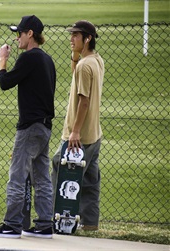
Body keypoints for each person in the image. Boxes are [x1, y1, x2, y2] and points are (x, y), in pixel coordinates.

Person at [0, 15, 56, 239]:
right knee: (42, 177)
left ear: (30, 34)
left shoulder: (29, 58)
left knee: (17, 175)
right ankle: (45, 224)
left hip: (29, 127)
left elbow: (5, 83)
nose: (17, 38)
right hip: (45, 127)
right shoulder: (47, 60)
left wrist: (2, 59)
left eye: (19, 33)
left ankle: (12, 225)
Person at [51, 20, 104, 231]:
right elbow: (77, 75)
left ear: (87, 38)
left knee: (59, 169)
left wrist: (74, 131)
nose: (71, 38)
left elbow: (83, 101)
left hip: (79, 137)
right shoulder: (96, 61)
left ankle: (56, 220)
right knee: (91, 181)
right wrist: (75, 55)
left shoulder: (84, 66)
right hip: (94, 134)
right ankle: (90, 224)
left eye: (76, 35)